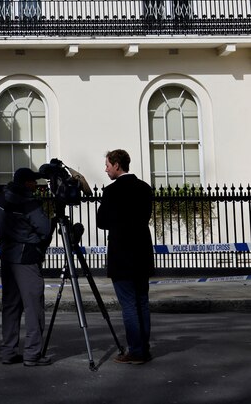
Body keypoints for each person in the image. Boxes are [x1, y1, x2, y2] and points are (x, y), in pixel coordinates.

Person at [0, 167, 53, 367]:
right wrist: (34, 241)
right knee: (33, 306)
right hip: (26, 258)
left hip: (7, 255)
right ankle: (32, 353)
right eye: (33, 181)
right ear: (26, 183)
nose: (36, 184)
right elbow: (45, 228)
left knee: (10, 306)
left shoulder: (1, 199)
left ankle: (9, 351)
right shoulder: (29, 203)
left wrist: (4, 238)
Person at [97, 149, 155, 365]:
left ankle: (136, 351)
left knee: (129, 304)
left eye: (107, 165)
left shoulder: (112, 191)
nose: (106, 169)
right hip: (141, 252)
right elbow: (145, 217)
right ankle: (144, 347)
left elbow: (101, 222)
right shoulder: (145, 188)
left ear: (117, 165)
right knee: (142, 302)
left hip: (122, 254)